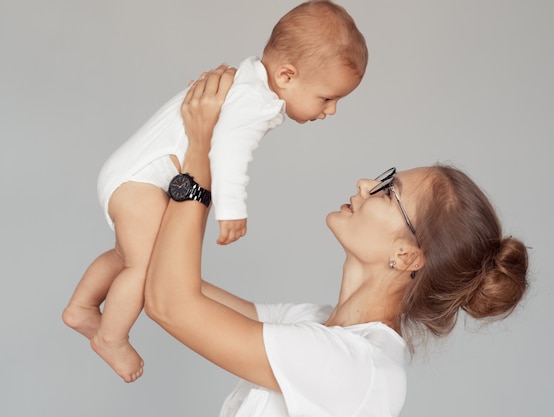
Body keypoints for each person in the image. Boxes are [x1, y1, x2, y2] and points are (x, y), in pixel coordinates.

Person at [144, 66, 529, 417]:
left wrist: (202, 151)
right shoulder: (317, 324)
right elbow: (171, 286)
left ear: (407, 255)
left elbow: (171, 304)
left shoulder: (355, 365)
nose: (365, 184)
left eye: (387, 191)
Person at [61, 0, 367, 383]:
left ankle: (81, 307)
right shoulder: (254, 101)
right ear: (287, 76)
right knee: (145, 266)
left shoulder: (248, 81)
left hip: (129, 173)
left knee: (128, 254)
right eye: (327, 97)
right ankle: (111, 337)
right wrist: (232, 209)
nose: (332, 110)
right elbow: (228, 152)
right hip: (139, 183)